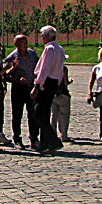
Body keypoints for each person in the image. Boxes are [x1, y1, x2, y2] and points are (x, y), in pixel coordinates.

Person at [30, 26, 65, 154]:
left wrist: (37, 85)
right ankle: (44, 143)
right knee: (44, 113)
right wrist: (59, 84)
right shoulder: (60, 49)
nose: (41, 37)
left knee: (38, 112)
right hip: (54, 83)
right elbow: (61, 69)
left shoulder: (49, 49)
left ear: (49, 36)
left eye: (42, 35)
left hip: (46, 83)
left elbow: (45, 69)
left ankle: (53, 140)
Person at [3, 34, 40, 149]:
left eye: (25, 41)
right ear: (16, 44)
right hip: (18, 88)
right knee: (17, 114)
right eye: (21, 42)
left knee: (33, 113)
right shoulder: (12, 57)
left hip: (31, 87)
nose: (24, 44)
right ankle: (17, 139)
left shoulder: (33, 54)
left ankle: (34, 139)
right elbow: (5, 75)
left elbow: (39, 68)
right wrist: (17, 79)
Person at [51, 65, 73, 143]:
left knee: (54, 115)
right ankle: (64, 135)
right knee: (64, 115)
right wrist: (70, 81)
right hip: (63, 94)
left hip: (52, 94)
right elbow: (65, 82)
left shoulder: (50, 67)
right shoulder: (63, 68)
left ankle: (52, 135)